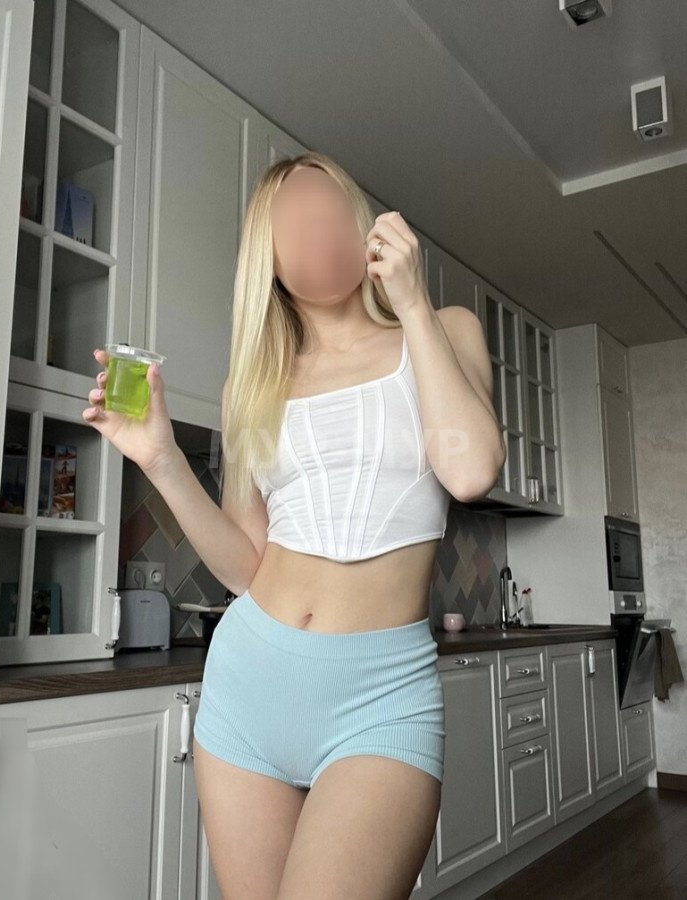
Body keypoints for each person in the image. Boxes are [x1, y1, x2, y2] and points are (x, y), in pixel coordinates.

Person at [83, 151, 505, 900]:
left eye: (331, 211)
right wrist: (161, 458)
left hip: (383, 695)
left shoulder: (444, 329)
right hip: (250, 682)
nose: (319, 231)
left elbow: (471, 472)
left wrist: (411, 303)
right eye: (294, 224)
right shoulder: (252, 384)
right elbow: (245, 566)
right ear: (267, 261)